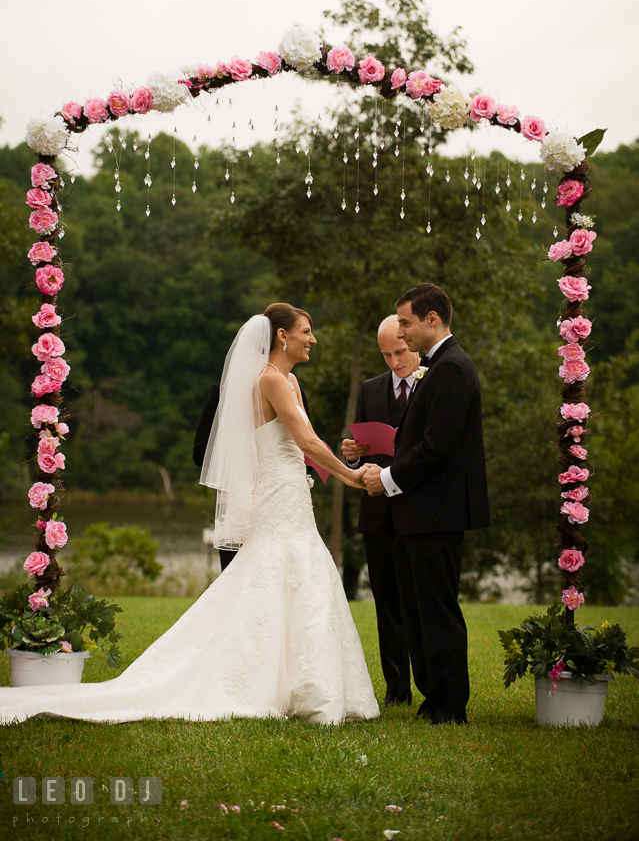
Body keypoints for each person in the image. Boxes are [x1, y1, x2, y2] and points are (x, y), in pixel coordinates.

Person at [0, 304, 379, 726]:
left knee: (295, 580)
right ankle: (279, 687)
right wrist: (349, 476)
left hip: (292, 495)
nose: (313, 339)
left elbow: (302, 443)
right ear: (282, 336)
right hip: (279, 498)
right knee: (275, 576)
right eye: (306, 331)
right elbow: (306, 440)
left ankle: (302, 687)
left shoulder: (289, 380)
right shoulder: (270, 380)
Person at [361, 283, 490, 724]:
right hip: (419, 514)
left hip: (438, 512)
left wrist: (388, 478)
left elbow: (438, 447)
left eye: (406, 321)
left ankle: (451, 707)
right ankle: (433, 696)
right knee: (417, 611)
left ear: (432, 319)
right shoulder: (440, 367)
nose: (401, 330)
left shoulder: (452, 368)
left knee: (437, 611)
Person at [341, 315, 419, 706]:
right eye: (386, 354)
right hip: (377, 512)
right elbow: (363, 450)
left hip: (419, 510)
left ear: (414, 343)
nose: (394, 361)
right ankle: (396, 691)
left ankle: (430, 686)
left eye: (400, 352)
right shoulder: (370, 389)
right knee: (386, 603)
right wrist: (353, 454)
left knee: (418, 603)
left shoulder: (433, 383)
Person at [193, 377, 310, 572]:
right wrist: (250, 455)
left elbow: (304, 444)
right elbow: (200, 452)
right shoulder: (224, 391)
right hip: (237, 506)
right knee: (237, 581)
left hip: (284, 500)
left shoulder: (291, 388)